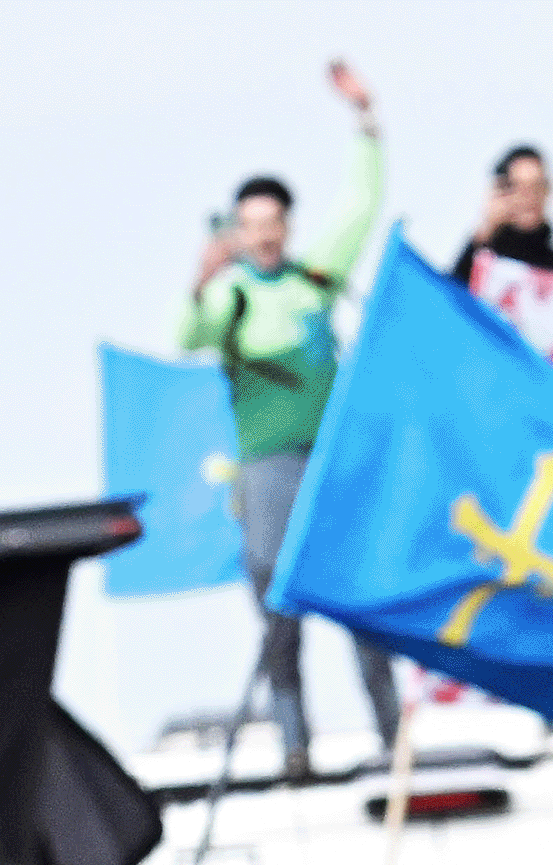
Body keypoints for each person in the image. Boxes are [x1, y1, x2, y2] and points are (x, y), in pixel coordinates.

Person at [180, 58, 397, 777]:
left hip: (331, 456)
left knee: (362, 597)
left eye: (273, 224)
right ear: (239, 233)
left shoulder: (311, 281)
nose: (265, 237)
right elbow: (191, 337)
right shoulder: (232, 299)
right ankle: (294, 738)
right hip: (268, 464)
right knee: (278, 604)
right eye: (252, 228)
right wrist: (200, 278)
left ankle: (391, 729)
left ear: (286, 225)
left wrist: (366, 123)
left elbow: (360, 208)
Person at [450, 141, 553, 276]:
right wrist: (486, 230)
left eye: (537, 187)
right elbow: (452, 292)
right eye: (520, 188)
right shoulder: (482, 256)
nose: (530, 198)